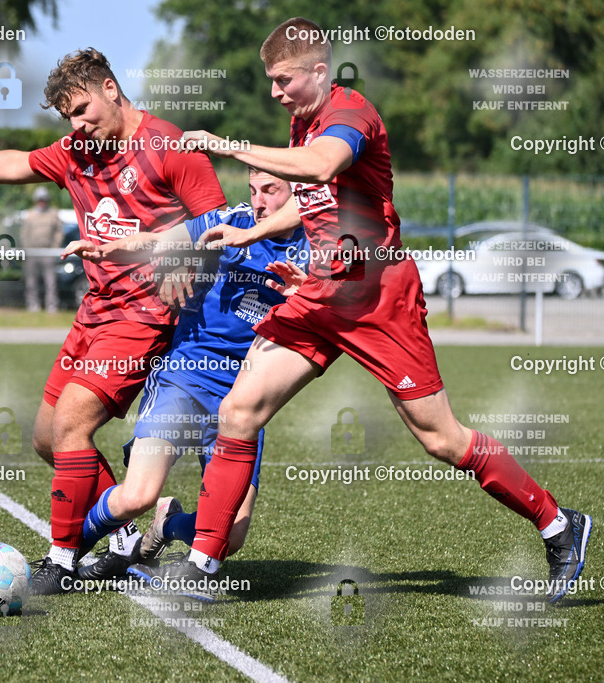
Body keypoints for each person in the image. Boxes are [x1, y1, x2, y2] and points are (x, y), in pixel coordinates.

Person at [148, 16, 590, 604]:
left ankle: (559, 525)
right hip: (323, 292)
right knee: (239, 410)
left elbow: (320, 168)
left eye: (283, 80)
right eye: (271, 82)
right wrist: (249, 234)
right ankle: (203, 563)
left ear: (318, 71)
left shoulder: (350, 113)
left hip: (379, 297)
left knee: (442, 439)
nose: (275, 92)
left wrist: (224, 145)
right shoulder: (301, 119)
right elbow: (313, 203)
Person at [0, 48, 226, 594]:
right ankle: (123, 535)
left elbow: (217, 221)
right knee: (48, 439)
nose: (76, 126)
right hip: (94, 310)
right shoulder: (77, 150)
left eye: (82, 110)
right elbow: (19, 162)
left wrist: (183, 257)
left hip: (146, 314)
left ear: (111, 88)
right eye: (67, 117)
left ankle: (62, 559)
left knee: (73, 421)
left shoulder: (168, 147)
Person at [64, 170, 307, 588]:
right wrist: (108, 249)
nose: (259, 201)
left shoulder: (317, 247)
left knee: (229, 537)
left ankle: (169, 525)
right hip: (187, 374)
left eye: (271, 190)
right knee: (136, 495)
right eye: (253, 189)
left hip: (248, 393)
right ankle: (63, 554)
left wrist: (308, 296)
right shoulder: (233, 222)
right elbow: (163, 240)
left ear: (300, 194)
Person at [21, 186, 64, 313]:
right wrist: (28, 248)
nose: (42, 202)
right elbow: (24, 233)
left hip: (48, 252)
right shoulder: (30, 215)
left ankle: (51, 306)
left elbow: (59, 232)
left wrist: (55, 247)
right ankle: (32, 305)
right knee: (31, 281)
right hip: (32, 253)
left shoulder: (53, 214)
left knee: (50, 281)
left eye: (44, 199)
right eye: (39, 199)